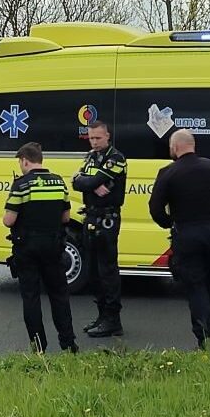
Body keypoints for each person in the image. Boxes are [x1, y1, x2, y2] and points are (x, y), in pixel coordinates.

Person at [148, 130, 210, 349]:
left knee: (196, 286)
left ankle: (203, 336)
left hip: (187, 236)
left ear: (175, 147)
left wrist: (170, 223)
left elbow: (155, 208)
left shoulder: (168, 172)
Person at [3, 142, 78, 354]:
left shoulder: (22, 185)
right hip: (54, 246)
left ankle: (38, 346)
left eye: (20, 162)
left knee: (31, 297)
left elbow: (9, 220)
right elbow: (66, 217)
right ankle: (68, 342)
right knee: (59, 296)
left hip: (27, 248)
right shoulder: (58, 182)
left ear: (25, 160)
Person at [71, 120, 128, 338]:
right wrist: (91, 182)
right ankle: (102, 316)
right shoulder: (90, 157)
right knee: (93, 271)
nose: (94, 142)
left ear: (108, 136)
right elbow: (77, 182)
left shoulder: (116, 157)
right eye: (91, 138)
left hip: (108, 218)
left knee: (107, 271)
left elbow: (91, 180)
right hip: (91, 215)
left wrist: (91, 181)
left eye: (98, 138)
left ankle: (113, 320)